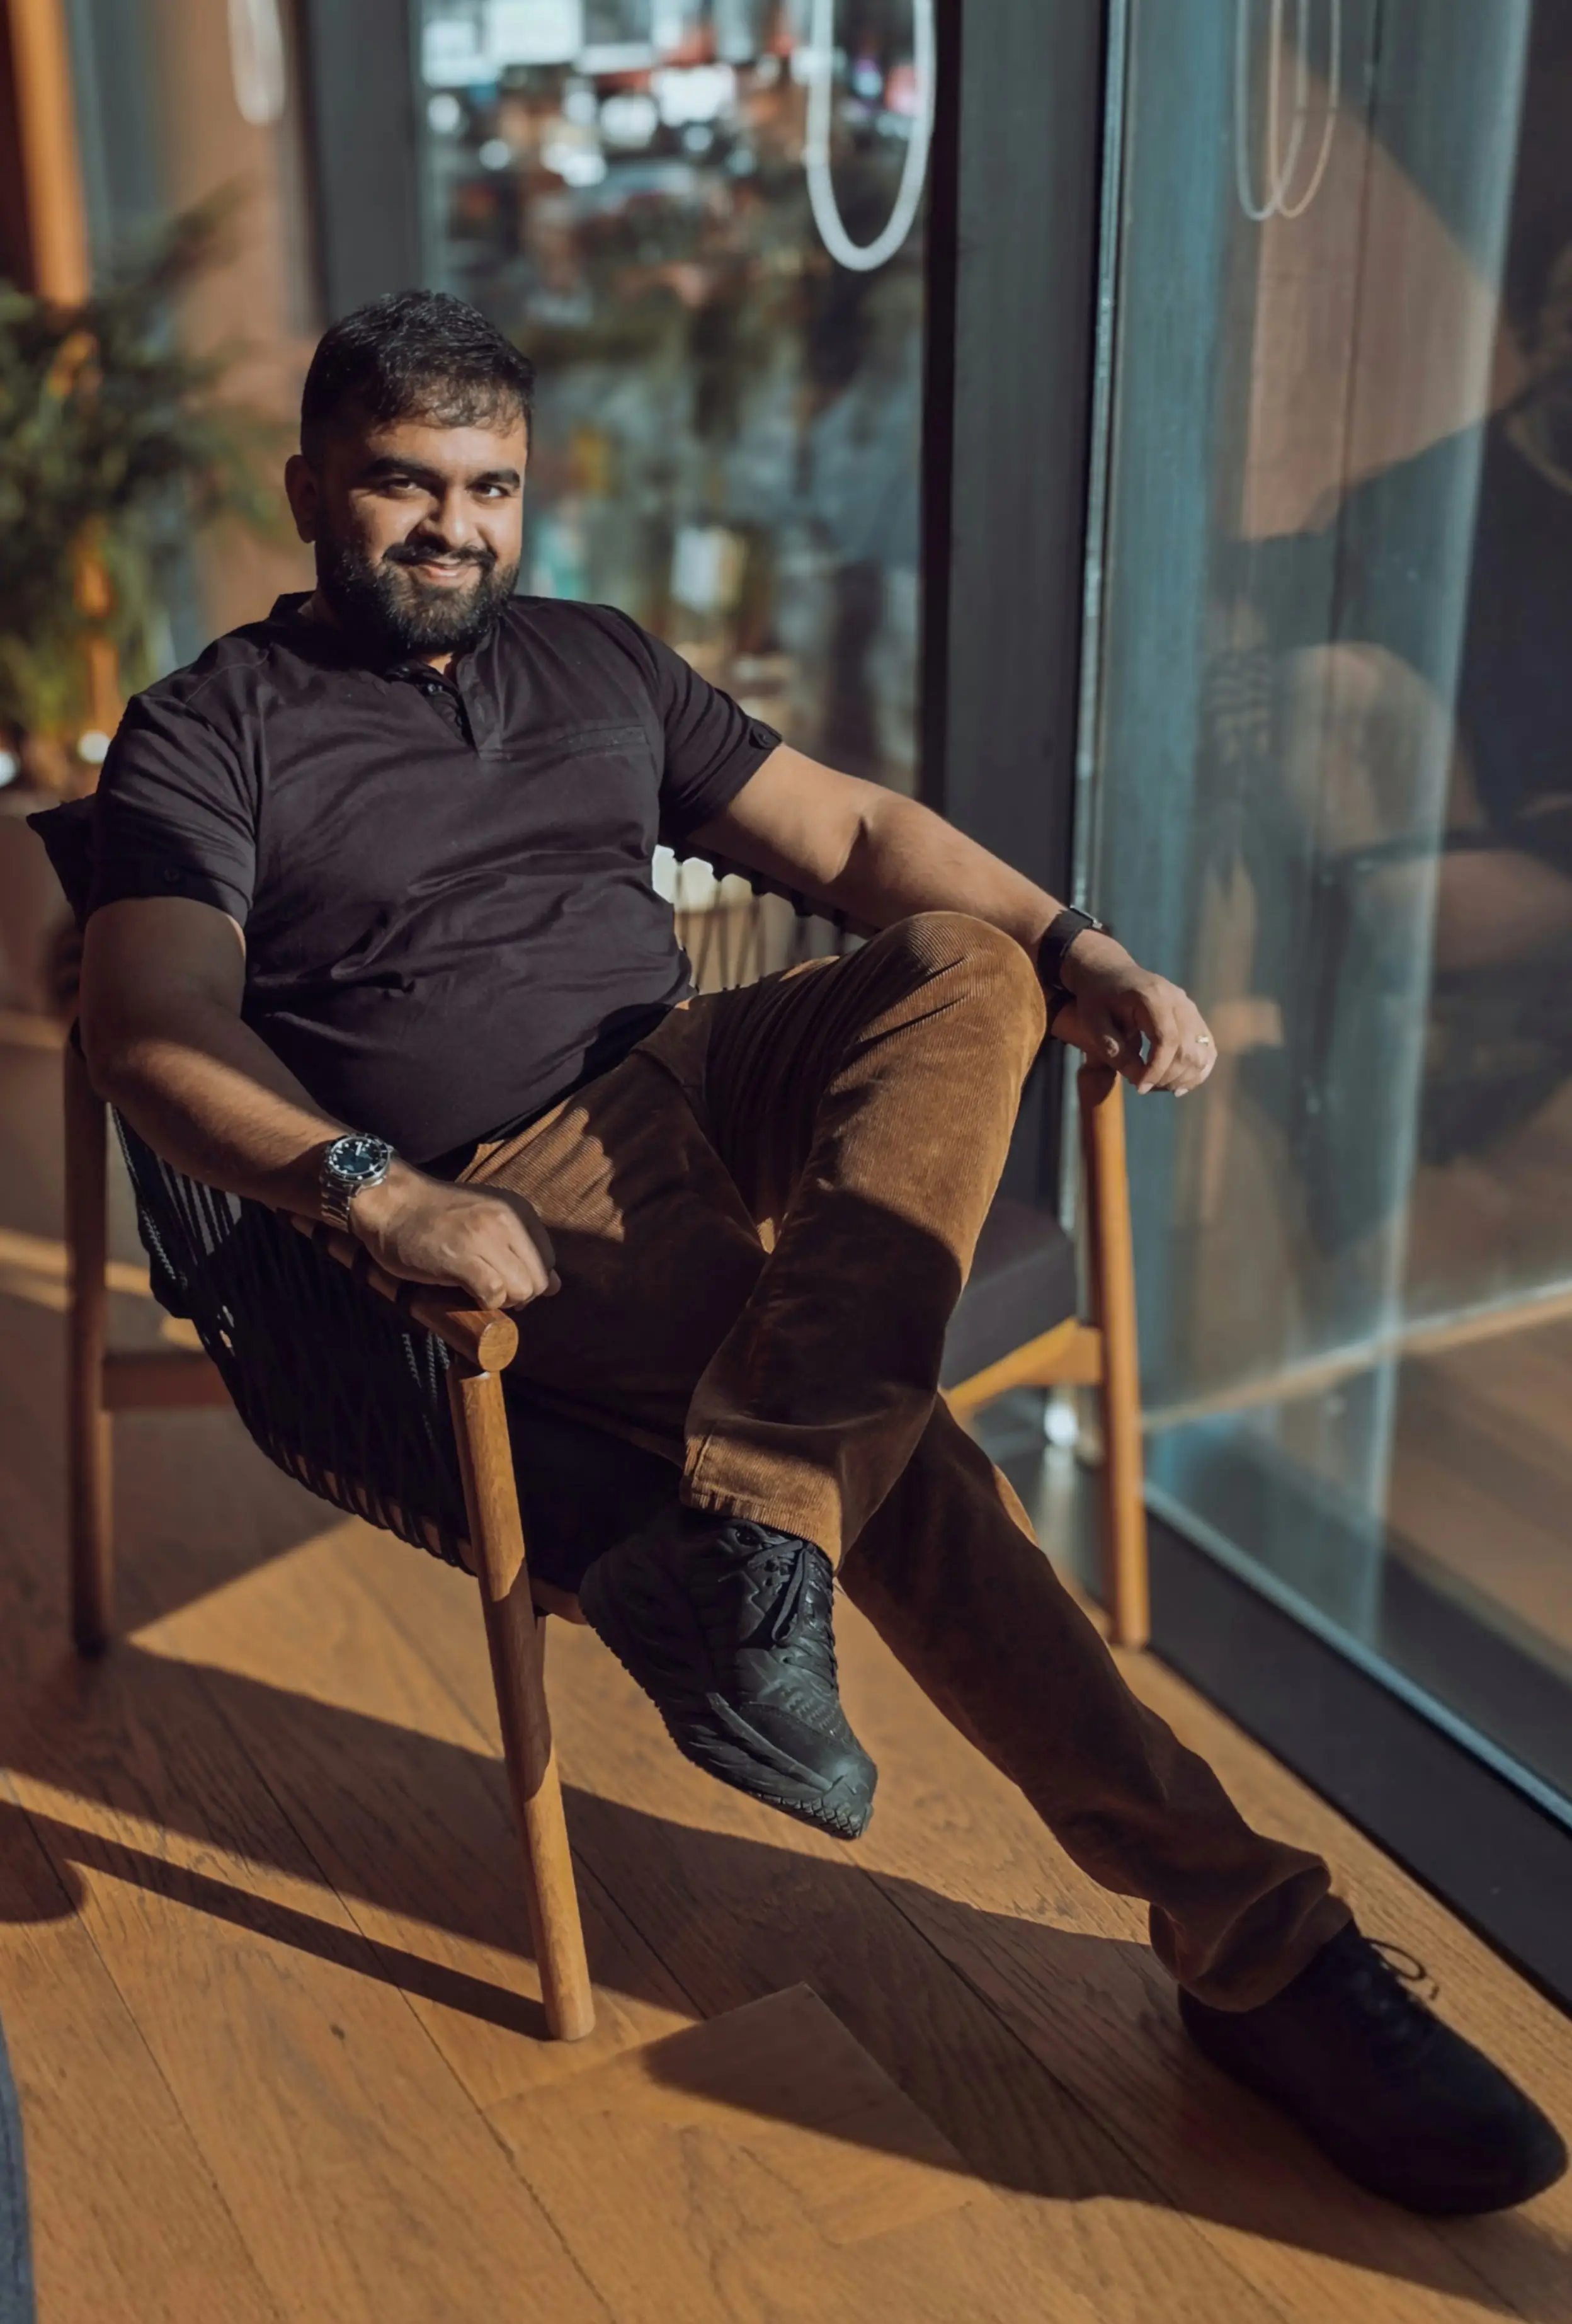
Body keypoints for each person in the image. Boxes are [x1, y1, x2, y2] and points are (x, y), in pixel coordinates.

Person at [74, 291, 1563, 2216]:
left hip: (691, 1069)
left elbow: (852, 833)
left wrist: (1085, 943)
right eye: (403, 485)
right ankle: (1261, 1948)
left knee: (967, 965)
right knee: (920, 1481)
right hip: (496, 1173)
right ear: (309, 491)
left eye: (491, 487)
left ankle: (759, 1529)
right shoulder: (211, 732)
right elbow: (151, 1029)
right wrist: (375, 1185)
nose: (455, 526)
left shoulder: (594, 662)